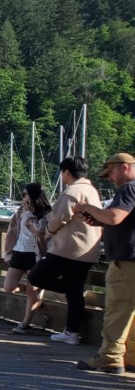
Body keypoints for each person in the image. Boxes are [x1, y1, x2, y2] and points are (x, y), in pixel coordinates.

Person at [26, 156, 102, 345]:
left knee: (35, 277)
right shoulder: (92, 190)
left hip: (68, 248)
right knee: (75, 291)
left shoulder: (72, 191)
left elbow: (57, 218)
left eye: (63, 173)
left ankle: (71, 323)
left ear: (67, 172)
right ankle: (71, 332)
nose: (63, 177)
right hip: (88, 249)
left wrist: (49, 232)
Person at [73, 153, 135, 374]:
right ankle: (131, 357)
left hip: (127, 261)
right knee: (132, 313)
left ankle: (110, 356)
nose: (110, 178)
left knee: (118, 309)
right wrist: (98, 219)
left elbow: (115, 217)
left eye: (111, 173)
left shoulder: (129, 189)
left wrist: (87, 208)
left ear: (124, 168)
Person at [5, 183, 52, 334]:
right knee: (8, 287)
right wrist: (8, 251)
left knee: (32, 290)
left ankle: (25, 323)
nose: (23, 198)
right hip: (19, 251)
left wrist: (30, 214)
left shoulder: (46, 213)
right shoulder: (20, 211)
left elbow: (39, 231)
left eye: (26, 194)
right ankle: (34, 292)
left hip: (35, 253)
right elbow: (12, 230)